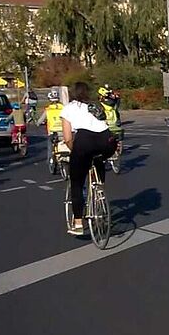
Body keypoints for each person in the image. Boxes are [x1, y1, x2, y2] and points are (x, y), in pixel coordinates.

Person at [60, 82, 117, 236]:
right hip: (107, 140)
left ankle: (78, 223)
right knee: (98, 159)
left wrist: (75, 151)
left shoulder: (69, 108)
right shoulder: (95, 105)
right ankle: (100, 190)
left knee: (77, 183)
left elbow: (67, 138)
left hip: (85, 141)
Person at [37, 91, 64, 164]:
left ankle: (50, 159)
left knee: (50, 145)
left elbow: (40, 121)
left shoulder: (48, 109)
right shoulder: (63, 108)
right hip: (63, 131)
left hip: (53, 131)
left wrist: (38, 123)